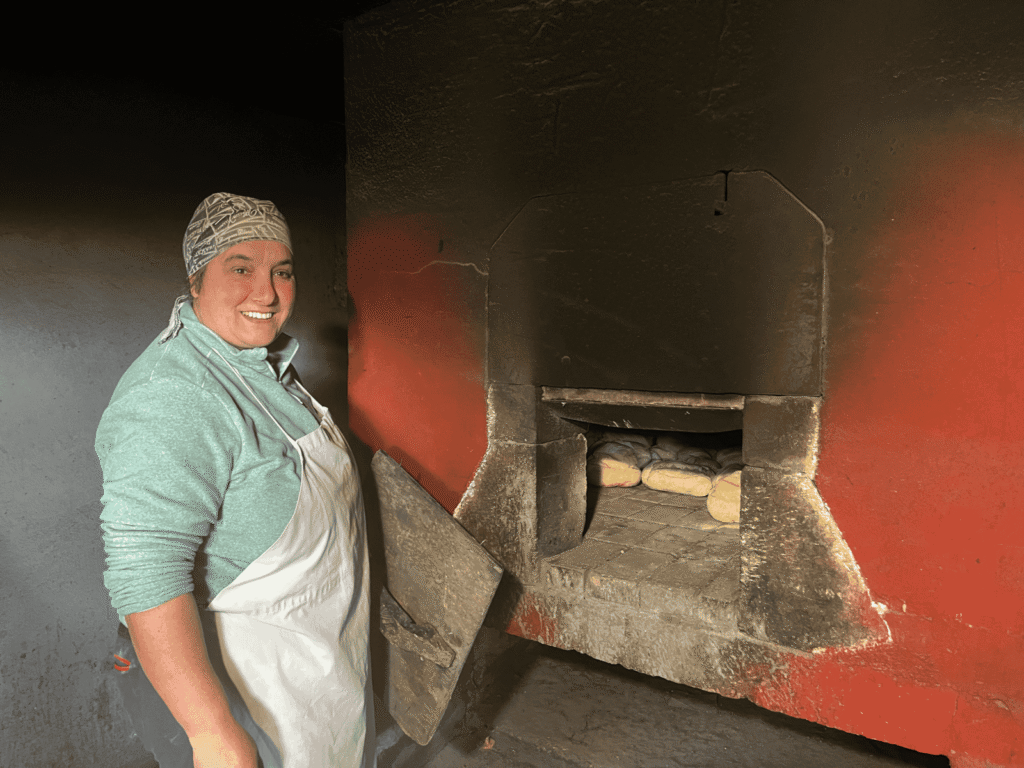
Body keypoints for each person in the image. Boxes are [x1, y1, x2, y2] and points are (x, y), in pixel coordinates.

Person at [96, 192, 374, 768]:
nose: (267, 293)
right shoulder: (174, 396)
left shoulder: (264, 367)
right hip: (243, 689)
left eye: (283, 271)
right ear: (195, 280)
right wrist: (213, 732)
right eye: (240, 268)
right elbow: (146, 576)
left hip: (312, 665)